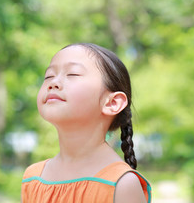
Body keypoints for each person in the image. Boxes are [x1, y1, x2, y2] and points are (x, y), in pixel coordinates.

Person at [21, 43, 151, 203]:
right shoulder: (32, 178)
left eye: (73, 74)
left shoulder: (122, 184)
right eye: (49, 76)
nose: (53, 83)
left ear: (112, 103)